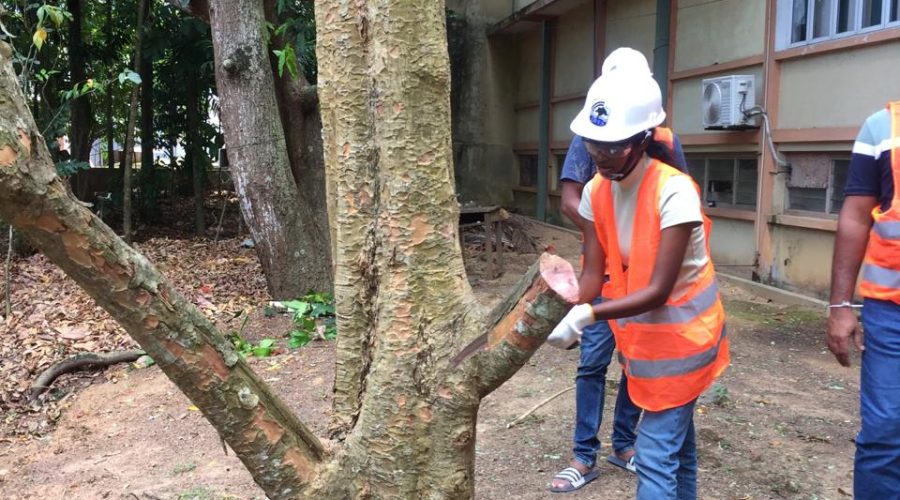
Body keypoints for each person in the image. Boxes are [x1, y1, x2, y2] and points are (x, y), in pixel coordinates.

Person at [549, 68, 729, 499]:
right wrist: (567, 304)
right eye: (593, 144)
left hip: (686, 344)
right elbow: (595, 273)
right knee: (678, 450)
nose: (601, 155)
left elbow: (658, 291)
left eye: (613, 146)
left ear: (644, 139)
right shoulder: (596, 191)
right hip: (644, 345)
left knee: (654, 455)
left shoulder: (674, 192)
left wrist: (588, 315)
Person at [826, 101, 900, 498]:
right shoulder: (883, 128)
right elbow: (855, 217)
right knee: (884, 435)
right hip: (891, 316)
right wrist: (840, 306)